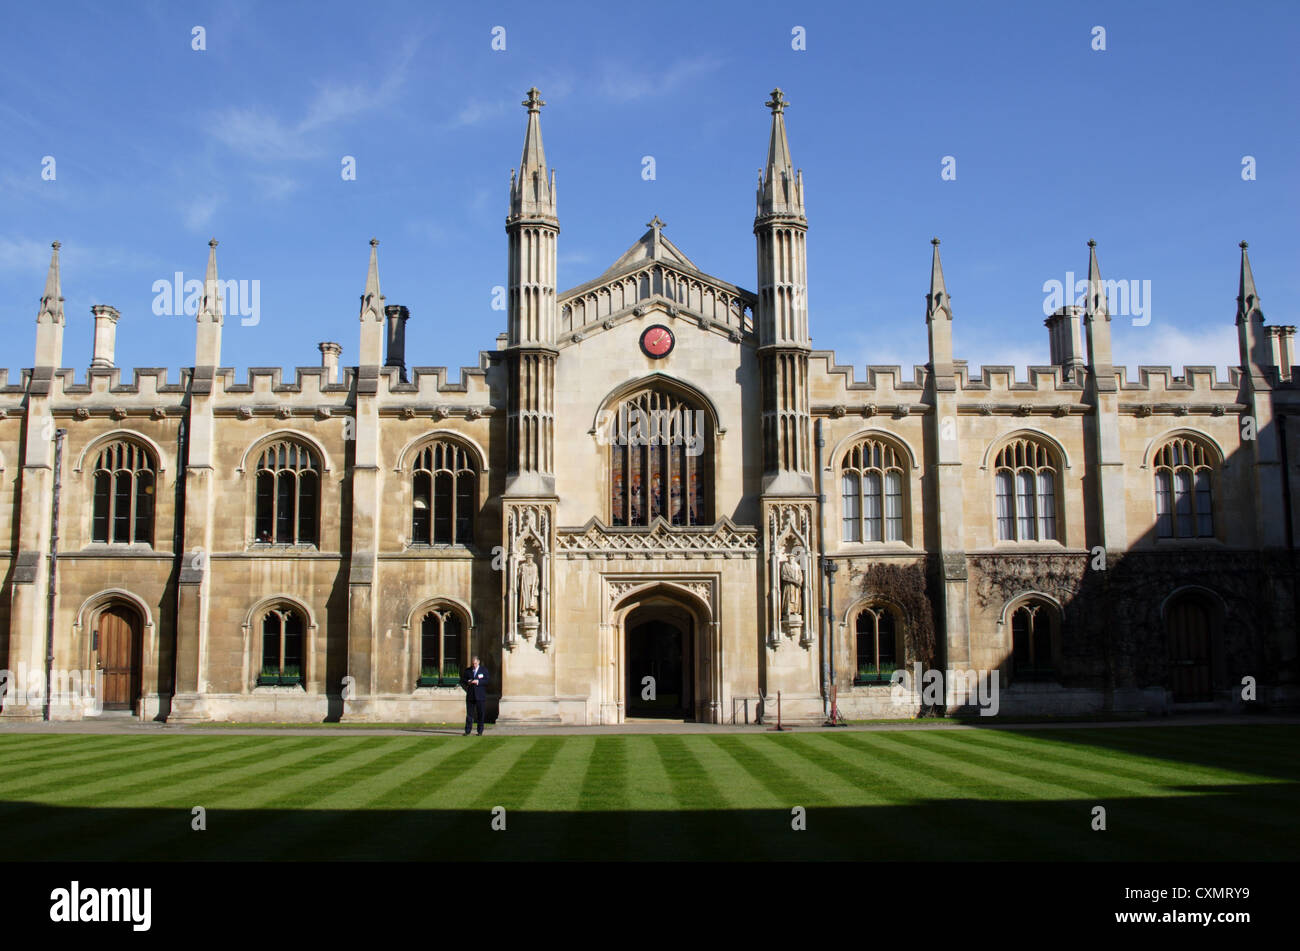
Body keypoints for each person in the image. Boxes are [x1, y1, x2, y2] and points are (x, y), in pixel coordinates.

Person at [462, 655, 487, 736]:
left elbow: (487, 680)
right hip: (470, 695)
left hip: (480, 695)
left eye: (475, 664)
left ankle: (480, 731)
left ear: (478, 662)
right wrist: (468, 682)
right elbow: (463, 680)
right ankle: (467, 731)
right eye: (473, 664)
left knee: (481, 713)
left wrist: (478, 682)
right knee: (469, 714)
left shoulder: (483, 670)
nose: (474, 665)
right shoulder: (468, 670)